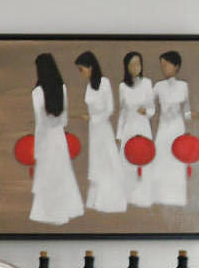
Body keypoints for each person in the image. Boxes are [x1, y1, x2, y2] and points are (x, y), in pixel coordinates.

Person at [29, 51, 84, 226]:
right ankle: (64, 210)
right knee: (62, 174)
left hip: (45, 139)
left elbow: (40, 123)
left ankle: (48, 213)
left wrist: (36, 149)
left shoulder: (37, 92)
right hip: (59, 138)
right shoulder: (62, 88)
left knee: (47, 176)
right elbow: (64, 120)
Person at [76, 51, 125, 214]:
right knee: (97, 162)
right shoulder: (89, 85)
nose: (81, 73)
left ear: (91, 67)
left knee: (107, 161)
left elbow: (110, 109)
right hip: (93, 130)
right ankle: (96, 199)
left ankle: (110, 200)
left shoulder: (104, 82)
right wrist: (90, 119)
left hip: (103, 128)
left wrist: (92, 117)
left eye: (82, 69)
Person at [117, 51, 158, 207]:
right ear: (126, 67)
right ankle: (128, 196)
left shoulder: (147, 83)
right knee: (127, 162)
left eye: (138, 63)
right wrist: (119, 135)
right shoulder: (123, 86)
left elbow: (152, 109)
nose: (136, 67)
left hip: (143, 127)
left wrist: (146, 112)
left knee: (144, 159)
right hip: (129, 128)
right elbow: (122, 112)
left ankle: (143, 196)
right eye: (132, 64)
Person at [152, 50, 191, 209]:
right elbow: (150, 107)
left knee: (177, 161)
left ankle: (176, 197)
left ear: (176, 66)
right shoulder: (158, 86)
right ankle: (160, 196)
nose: (164, 68)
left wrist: (192, 115)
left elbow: (187, 111)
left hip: (178, 128)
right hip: (163, 128)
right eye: (162, 65)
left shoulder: (184, 86)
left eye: (166, 65)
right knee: (161, 159)